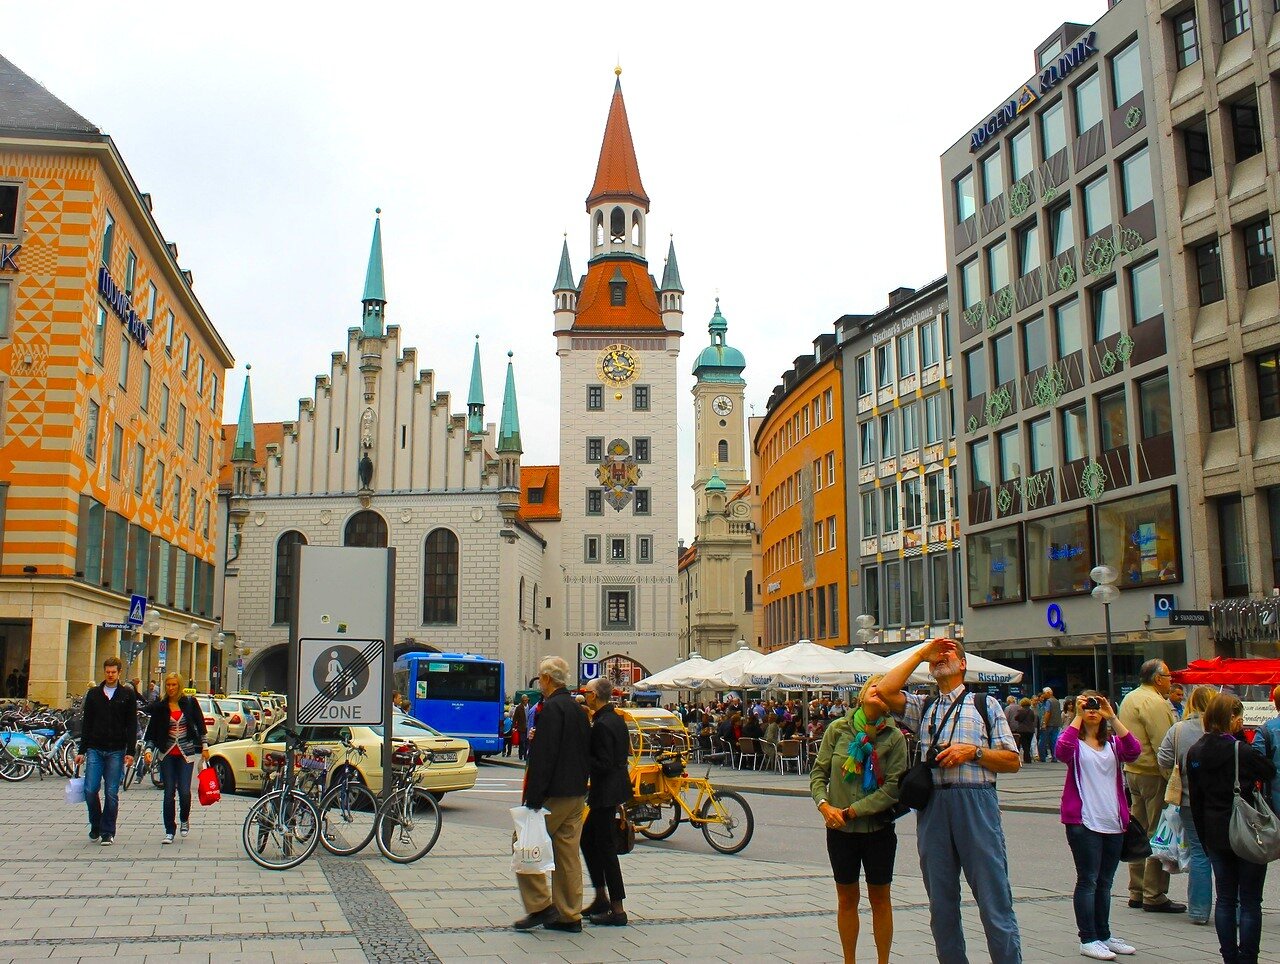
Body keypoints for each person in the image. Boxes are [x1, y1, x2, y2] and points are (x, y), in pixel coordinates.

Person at [873, 637, 1023, 964]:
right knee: (941, 905)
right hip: (934, 806)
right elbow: (885, 690)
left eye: (949, 652)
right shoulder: (924, 706)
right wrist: (919, 654)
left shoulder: (985, 704)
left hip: (975, 801)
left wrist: (974, 752)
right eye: (936, 655)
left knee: (993, 899)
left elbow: (1012, 761)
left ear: (964, 664)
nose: (941, 657)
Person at [811, 675, 908, 964]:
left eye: (885, 690)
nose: (878, 692)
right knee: (846, 899)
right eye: (874, 687)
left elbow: (893, 788)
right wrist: (824, 805)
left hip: (877, 830)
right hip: (839, 830)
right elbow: (818, 774)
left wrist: (853, 811)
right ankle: (849, 960)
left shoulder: (895, 738)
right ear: (863, 693)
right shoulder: (837, 730)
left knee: (880, 900)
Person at [1188, 693, 1277, 964]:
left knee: (1225, 899)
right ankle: (1248, 957)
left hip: (1215, 832)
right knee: (1250, 901)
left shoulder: (1196, 751)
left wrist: (1204, 839)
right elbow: (1269, 771)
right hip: (1246, 829)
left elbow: (1196, 799)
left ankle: (1229, 957)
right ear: (1232, 719)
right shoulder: (1241, 750)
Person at [1056, 691, 1141, 961]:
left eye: (1096, 705)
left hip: (1113, 821)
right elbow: (1061, 752)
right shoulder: (1075, 742)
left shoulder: (1114, 743)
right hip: (1084, 822)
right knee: (1088, 880)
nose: (1093, 710)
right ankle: (1088, 938)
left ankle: (1103, 935)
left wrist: (1113, 716)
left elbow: (1134, 751)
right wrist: (1077, 717)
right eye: (1087, 705)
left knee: (1105, 882)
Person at [512, 657, 590, 933]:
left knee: (524, 841)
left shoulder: (550, 710)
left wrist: (533, 799)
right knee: (567, 853)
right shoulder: (578, 709)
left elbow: (544, 758)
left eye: (540, 677)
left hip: (554, 792)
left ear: (546, 679)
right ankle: (570, 914)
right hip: (577, 791)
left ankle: (540, 905)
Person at [1116, 658, 1181, 913]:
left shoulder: (1131, 697)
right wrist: (1173, 780)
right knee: (1157, 833)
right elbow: (1164, 746)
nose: (1171, 681)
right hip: (1153, 773)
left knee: (1138, 829)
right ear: (1157, 679)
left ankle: (1137, 890)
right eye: (1168, 676)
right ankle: (1154, 893)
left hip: (1133, 770)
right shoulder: (1155, 702)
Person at [1157, 684, 1216, 926]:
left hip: (1189, 800)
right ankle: (1231, 910)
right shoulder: (1220, 729)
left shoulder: (1178, 729)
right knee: (1223, 855)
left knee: (1200, 854)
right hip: (1221, 801)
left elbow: (1163, 758)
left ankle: (1200, 912)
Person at [579, 677, 631, 926]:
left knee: (606, 848)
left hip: (605, 791)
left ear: (595, 696)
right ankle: (601, 896)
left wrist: (581, 759)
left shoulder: (600, 724)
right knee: (588, 839)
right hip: (615, 787)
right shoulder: (616, 719)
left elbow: (603, 763)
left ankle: (617, 909)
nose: (584, 696)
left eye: (587, 692)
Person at [75, 656, 138, 846]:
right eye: (107, 672)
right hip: (95, 747)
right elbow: (87, 724)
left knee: (111, 792)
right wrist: (82, 750)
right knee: (90, 789)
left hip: (116, 750)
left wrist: (131, 751)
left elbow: (131, 724)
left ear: (119, 673)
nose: (110, 675)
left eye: (113, 672)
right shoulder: (94, 694)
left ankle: (108, 831)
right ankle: (96, 823)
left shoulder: (127, 695)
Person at [142, 673, 210, 844]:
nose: (171, 688)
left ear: (179, 685)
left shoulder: (189, 703)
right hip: (167, 753)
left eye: (174, 685)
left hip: (186, 753)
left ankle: (184, 818)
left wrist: (205, 746)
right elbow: (151, 732)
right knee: (168, 792)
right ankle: (169, 830)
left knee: (185, 792)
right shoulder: (161, 707)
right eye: (168, 685)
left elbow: (200, 726)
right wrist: (149, 749)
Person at [1250, 683, 1280, 818]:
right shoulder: (1266, 731)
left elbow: (1255, 764)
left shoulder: (1265, 731)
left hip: (1274, 802)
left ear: (1275, 703)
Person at [1039, 688, 1062, 763]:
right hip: (1056, 724)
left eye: (1044, 693)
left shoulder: (1049, 701)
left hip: (1049, 724)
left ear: (1048, 693)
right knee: (1054, 741)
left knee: (1043, 741)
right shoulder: (1057, 701)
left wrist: (1044, 723)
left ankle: (1042, 757)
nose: (1043, 695)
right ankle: (1054, 757)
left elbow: (1047, 712)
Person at [1012, 698, 1036, 763]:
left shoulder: (1020, 710)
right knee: (1028, 744)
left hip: (1022, 730)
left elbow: (1016, 718)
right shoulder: (1031, 711)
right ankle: (1028, 758)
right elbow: (1033, 719)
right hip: (1030, 730)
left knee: (1024, 744)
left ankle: (1027, 758)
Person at [513, 695, 530, 761]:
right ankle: (521, 753)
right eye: (524, 700)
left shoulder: (530, 707)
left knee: (527, 742)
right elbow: (515, 718)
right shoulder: (519, 708)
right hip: (521, 727)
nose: (525, 701)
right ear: (522, 701)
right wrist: (514, 727)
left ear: (528, 700)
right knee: (522, 741)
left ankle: (525, 755)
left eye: (526, 700)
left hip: (528, 727)